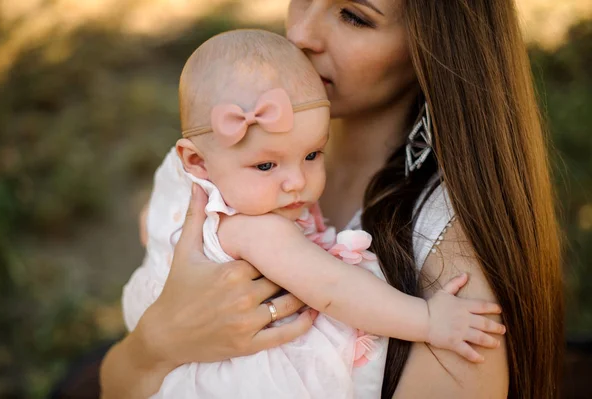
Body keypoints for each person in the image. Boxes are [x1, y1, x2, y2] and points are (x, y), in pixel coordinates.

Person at [101, 1, 564, 398]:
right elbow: (116, 383)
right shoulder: (243, 149)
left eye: (353, 16)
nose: (300, 33)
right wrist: (157, 343)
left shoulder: (454, 268)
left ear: (434, 46)